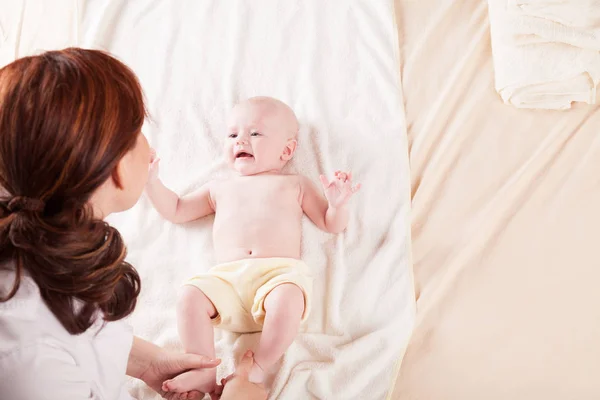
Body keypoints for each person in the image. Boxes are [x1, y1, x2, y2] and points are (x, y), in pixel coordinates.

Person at [0, 48, 266, 400]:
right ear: (117, 170)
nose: (148, 146)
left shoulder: (46, 232)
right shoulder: (28, 363)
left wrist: (146, 363)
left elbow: (77, 329)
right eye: (138, 132)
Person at [145, 96, 361, 398]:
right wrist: (152, 182)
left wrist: (338, 205)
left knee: (289, 297)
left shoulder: (294, 184)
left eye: (255, 133)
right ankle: (204, 368)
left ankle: (258, 365)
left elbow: (331, 224)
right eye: (232, 135)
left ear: (286, 150)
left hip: (276, 277)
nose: (240, 140)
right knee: (189, 296)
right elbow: (177, 210)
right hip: (226, 282)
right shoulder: (219, 187)